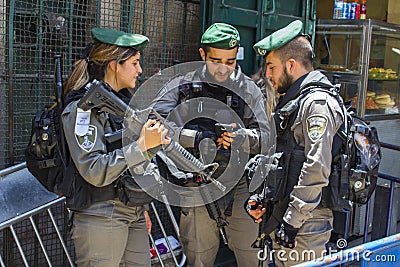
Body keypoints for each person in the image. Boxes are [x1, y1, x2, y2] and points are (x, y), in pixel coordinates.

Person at [151, 23, 270, 266]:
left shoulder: (248, 89)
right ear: (202, 55)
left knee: (251, 256)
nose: (223, 68)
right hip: (197, 184)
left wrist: (242, 137)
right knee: (198, 257)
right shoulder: (182, 86)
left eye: (230, 61)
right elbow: (154, 122)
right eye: (216, 61)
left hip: (240, 187)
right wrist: (194, 138)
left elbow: (266, 137)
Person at [61, 27, 170, 267]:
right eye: (134, 63)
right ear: (114, 64)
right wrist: (142, 146)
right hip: (101, 214)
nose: (140, 70)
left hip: (132, 210)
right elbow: (94, 169)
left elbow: (133, 164)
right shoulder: (83, 109)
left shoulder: (124, 105)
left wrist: (142, 208)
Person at [248, 20, 344, 266]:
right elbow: (284, 156)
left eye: (271, 67)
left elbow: (316, 168)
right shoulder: (294, 100)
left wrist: (291, 221)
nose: (267, 75)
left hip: (305, 226)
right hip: (286, 216)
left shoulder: (317, 104)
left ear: (290, 65)